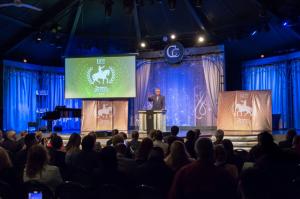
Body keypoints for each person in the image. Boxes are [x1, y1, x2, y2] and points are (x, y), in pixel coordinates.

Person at [168, 138, 237, 199]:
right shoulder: (224, 174)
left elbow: (174, 195)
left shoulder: (183, 172)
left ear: (196, 152)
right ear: (213, 152)